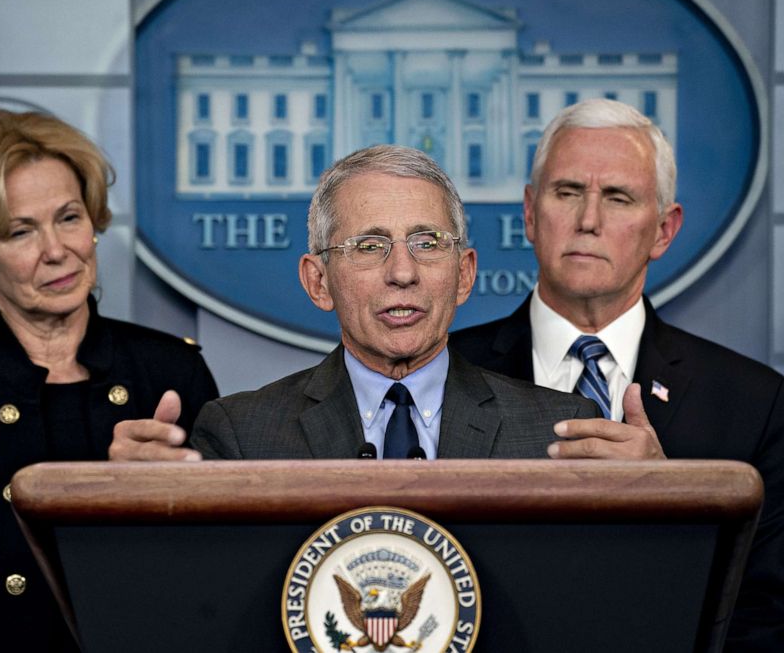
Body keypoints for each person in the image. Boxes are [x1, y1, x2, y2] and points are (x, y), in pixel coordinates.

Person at [0, 109, 219, 651]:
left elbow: (221, 577)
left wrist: (154, 497)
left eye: (69, 217)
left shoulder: (169, 372)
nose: (57, 250)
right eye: (20, 231)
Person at [450, 98, 784, 649]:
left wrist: (672, 503)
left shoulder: (753, 403)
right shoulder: (440, 375)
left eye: (618, 198)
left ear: (663, 230)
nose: (588, 220)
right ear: (530, 214)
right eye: (568, 192)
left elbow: (764, 620)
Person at [181, 144, 598, 460]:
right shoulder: (243, 436)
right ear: (319, 281)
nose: (402, 272)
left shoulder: (559, 432)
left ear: (464, 275)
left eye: (428, 242)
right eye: (368, 245)